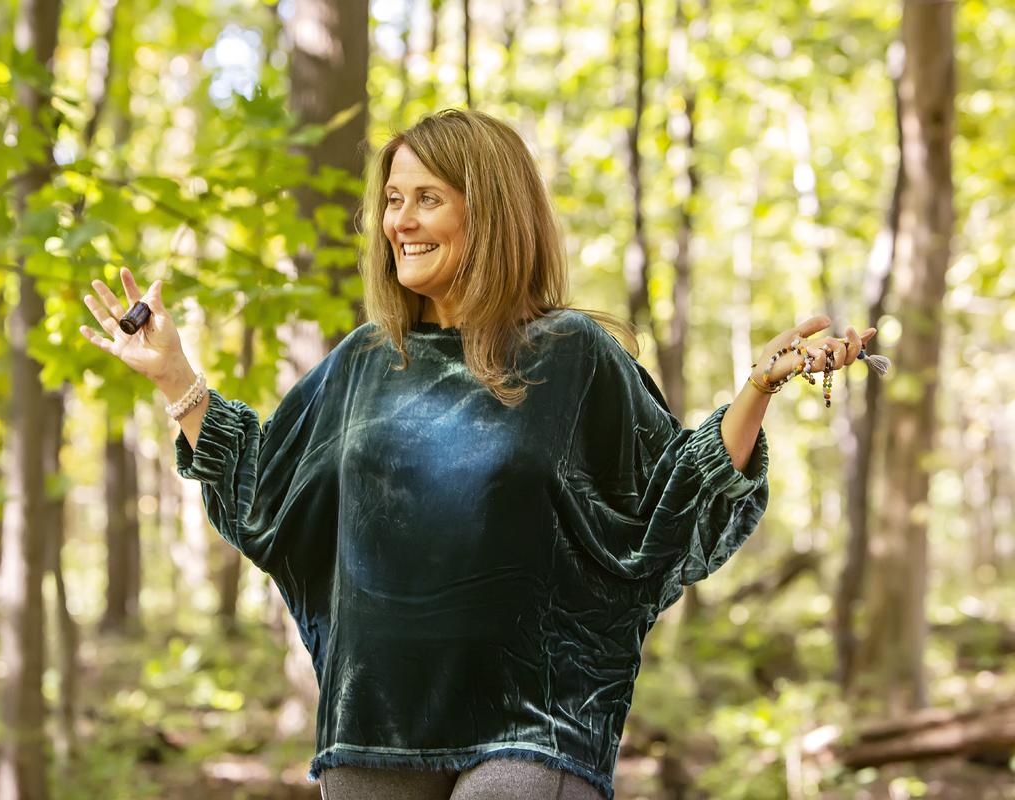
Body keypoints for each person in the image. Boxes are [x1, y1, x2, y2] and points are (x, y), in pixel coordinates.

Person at [80, 109, 877, 800]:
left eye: (427, 198)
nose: (401, 221)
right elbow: (268, 495)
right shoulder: (364, 363)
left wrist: (756, 390)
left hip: (533, 727)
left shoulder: (572, 355)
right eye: (394, 200)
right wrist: (176, 377)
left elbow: (668, 501)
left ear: (490, 212)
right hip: (376, 726)